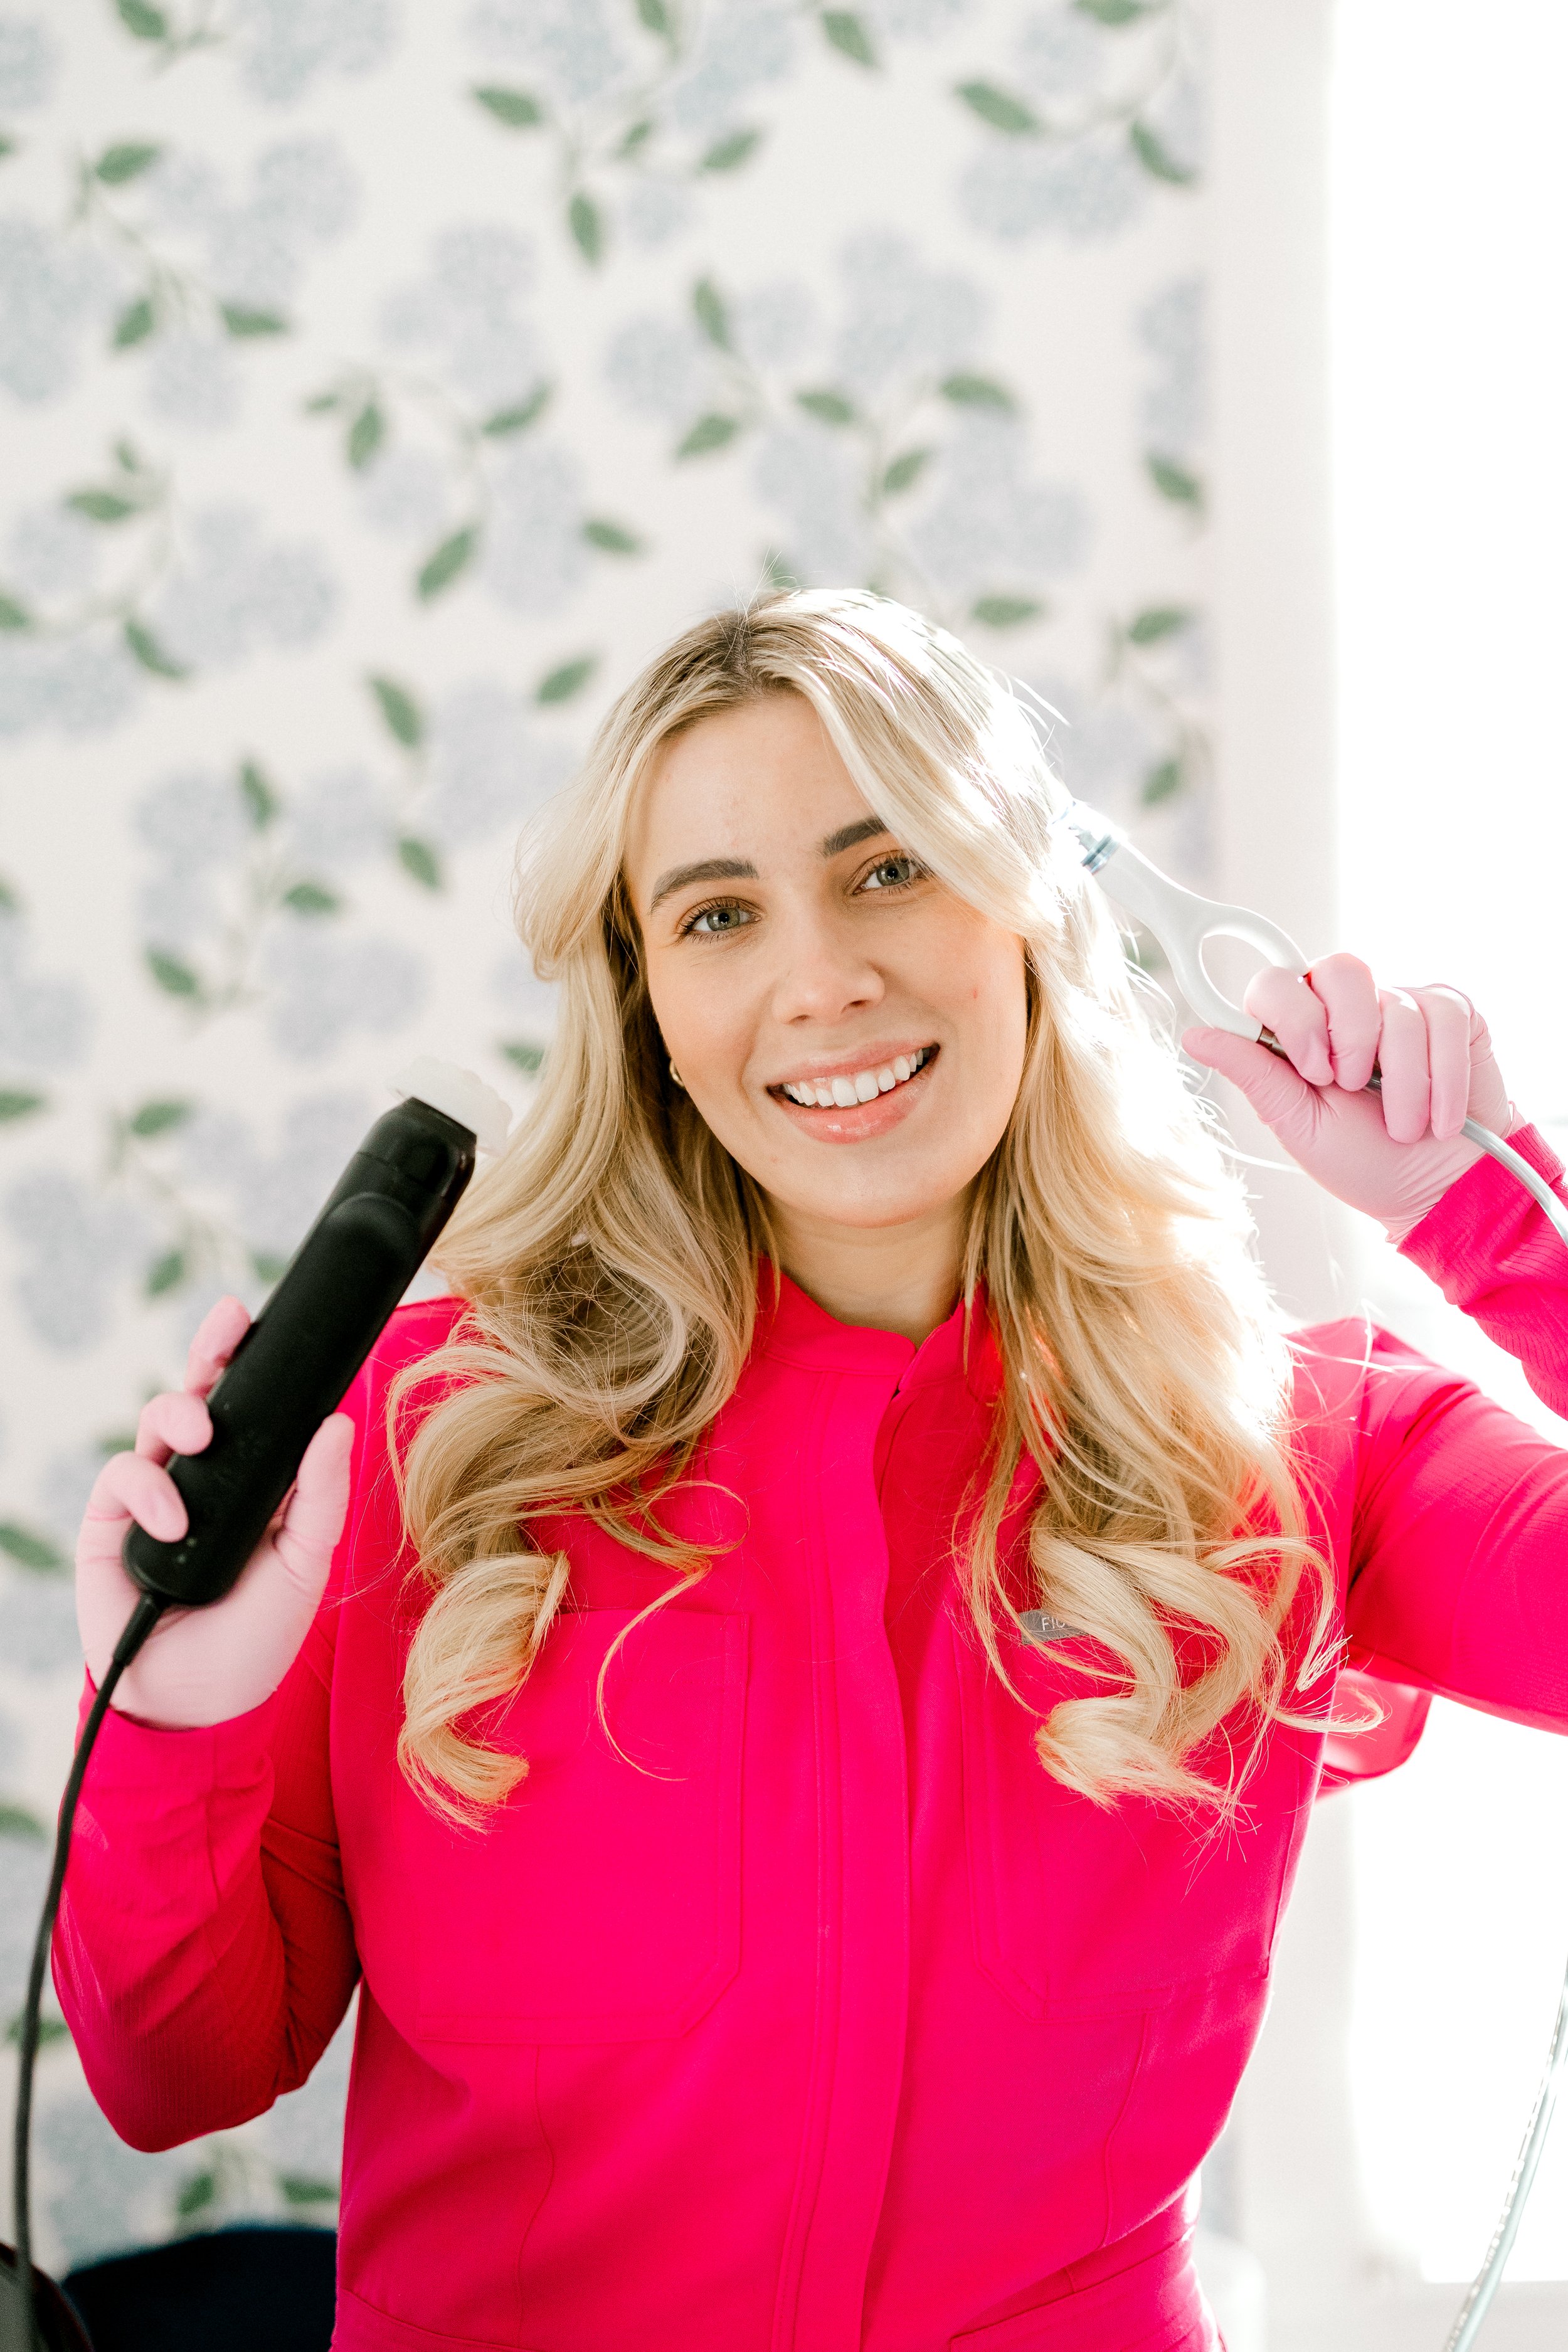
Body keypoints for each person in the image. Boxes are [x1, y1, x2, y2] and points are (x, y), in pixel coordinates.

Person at [56, 591, 1568, 2351]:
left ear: (1029, 918)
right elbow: (177, 2078)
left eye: (887, 869)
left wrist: (1482, 1205)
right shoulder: (419, 1440)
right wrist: (174, 1723)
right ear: (653, 1013)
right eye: (717, 914)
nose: (820, 978)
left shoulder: (1301, 1447)